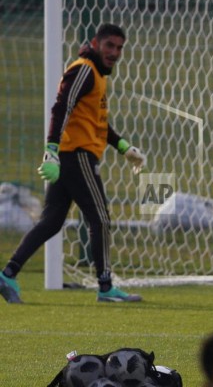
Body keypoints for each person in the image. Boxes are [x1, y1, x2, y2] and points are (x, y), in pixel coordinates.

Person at [0, 24, 146, 304]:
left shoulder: (97, 76)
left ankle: (7, 274)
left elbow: (96, 122)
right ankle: (105, 288)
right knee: (100, 218)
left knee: (51, 222)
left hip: (72, 155)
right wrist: (51, 150)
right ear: (95, 43)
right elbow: (61, 105)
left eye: (119, 48)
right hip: (76, 155)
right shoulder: (84, 70)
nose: (115, 52)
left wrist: (124, 147)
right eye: (110, 46)